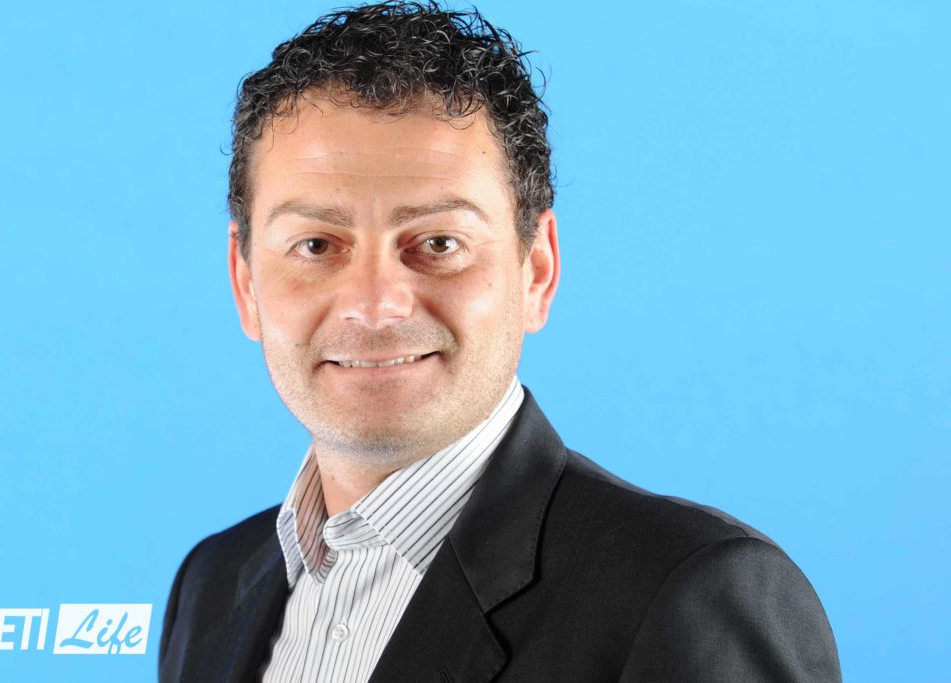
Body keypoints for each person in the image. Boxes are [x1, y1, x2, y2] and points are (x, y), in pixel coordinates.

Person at [158, 2, 841, 681]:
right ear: (245, 283)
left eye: (438, 243)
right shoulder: (212, 585)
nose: (374, 304)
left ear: (537, 269)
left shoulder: (691, 593)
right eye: (315, 245)